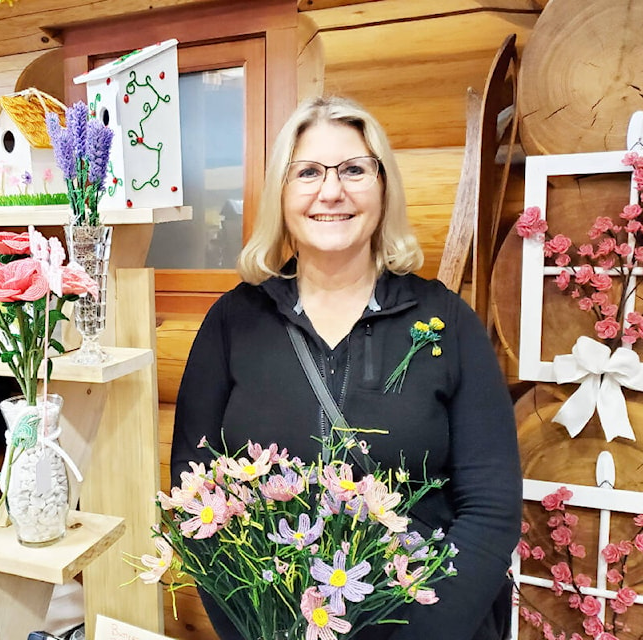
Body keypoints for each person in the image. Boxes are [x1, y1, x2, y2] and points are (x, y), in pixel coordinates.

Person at [170, 96, 522, 640]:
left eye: (354, 170)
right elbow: (195, 495)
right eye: (307, 171)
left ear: (383, 187)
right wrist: (254, 626)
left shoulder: (447, 322)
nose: (331, 191)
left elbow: (491, 509)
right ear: (281, 195)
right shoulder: (233, 323)